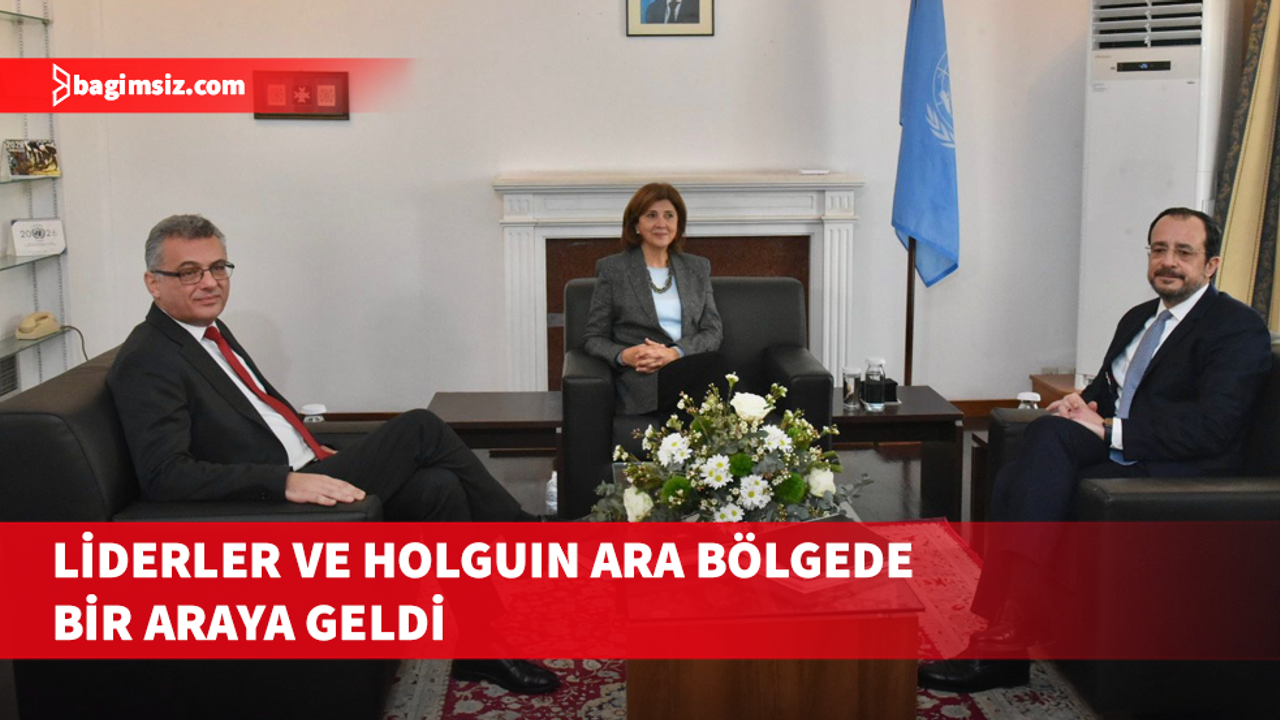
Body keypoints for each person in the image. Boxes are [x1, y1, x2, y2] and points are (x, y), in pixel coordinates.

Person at [107, 214, 559, 695]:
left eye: (218, 267)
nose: (210, 282)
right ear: (153, 283)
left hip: (310, 463)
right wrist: (283, 481)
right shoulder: (149, 358)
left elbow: (262, 415)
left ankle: (478, 647)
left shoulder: (206, 332)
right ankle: (526, 538)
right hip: (271, 504)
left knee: (438, 487)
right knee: (421, 427)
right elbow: (164, 474)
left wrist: (312, 444)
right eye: (189, 272)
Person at [918, 207, 1273, 693]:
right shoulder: (1139, 318)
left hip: (1183, 471)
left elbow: (1213, 427)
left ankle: (1007, 636)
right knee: (1040, 444)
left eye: (1184, 252)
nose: (1168, 262)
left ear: (1211, 265)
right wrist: (1080, 404)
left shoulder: (1236, 328)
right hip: (1128, 449)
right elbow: (1109, 391)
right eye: (1159, 249)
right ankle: (1011, 629)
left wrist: (1108, 430)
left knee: (1032, 467)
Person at [583, 182, 726, 417]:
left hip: (690, 365)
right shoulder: (613, 270)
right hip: (645, 377)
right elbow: (594, 338)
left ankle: (684, 438)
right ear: (636, 224)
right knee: (719, 371)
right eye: (651, 215)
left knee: (716, 368)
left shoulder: (697, 268)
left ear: (678, 223)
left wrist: (675, 353)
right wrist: (625, 356)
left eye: (669, 215)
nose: (661, 223)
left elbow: (713, 331)